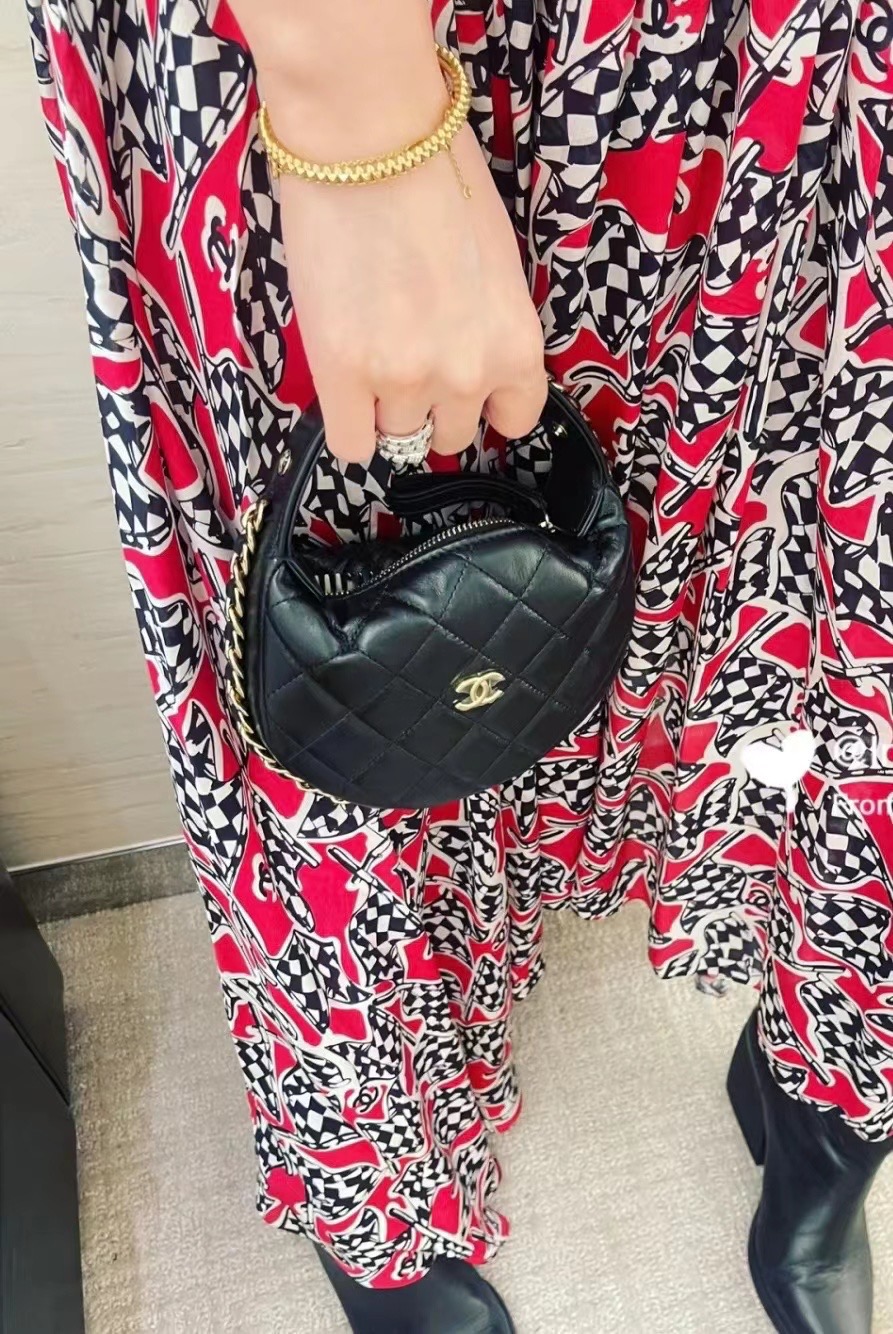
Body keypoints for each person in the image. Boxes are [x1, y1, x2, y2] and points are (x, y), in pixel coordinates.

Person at [29, 0, 893, 1330]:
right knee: (333, 673)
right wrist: (352, 114)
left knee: (850, 628)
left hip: (828, 64)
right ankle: (375, 1194)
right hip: (392, 51)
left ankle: (829, 1112)